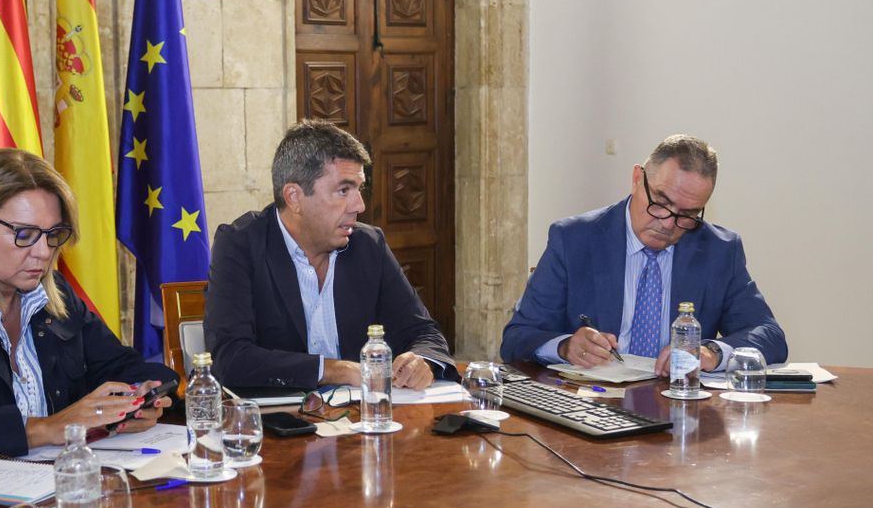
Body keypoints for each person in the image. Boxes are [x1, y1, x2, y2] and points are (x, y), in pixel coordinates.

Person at [0, 148, 177, 468]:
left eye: (53, 235)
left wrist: (146, 394)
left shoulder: (55, 296)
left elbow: (123, 366)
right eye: (24, 234)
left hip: (57, 487)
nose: (42, 253)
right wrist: (44, 429)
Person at [500, 134, 787, 374]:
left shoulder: (719, 250)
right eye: (661, 202)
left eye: (687, 214)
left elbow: (769, 335)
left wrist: (710, 352)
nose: (668, 223)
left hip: (676, 412)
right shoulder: (573, 240)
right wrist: (565, 347)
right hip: (591, 407)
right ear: (637, 179)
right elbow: (517, 338)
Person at [204, 120, 457, 391]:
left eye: (360, 189)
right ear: (294, 197)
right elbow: (229, 359)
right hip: (283, 422)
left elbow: (423, 332)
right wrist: (335, 370)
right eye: (343, 190)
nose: (358, 205)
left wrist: (422, 361)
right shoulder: (241, 245)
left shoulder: (368, 244)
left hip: (362, 418)